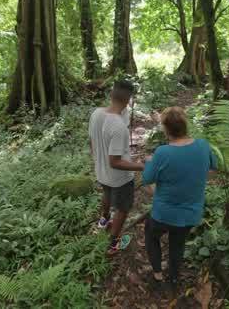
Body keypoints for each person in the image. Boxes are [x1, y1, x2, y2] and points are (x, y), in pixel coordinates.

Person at [141, 106, 219, 290]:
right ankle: (174, 278)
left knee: (151, 235)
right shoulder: (203, 146)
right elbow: (213, 170)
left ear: (166, 129)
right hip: (190, 215)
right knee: (178, 243)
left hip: (163, 214)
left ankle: (158, 275)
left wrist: (149, 162)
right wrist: (193, 182)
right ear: (186, 126)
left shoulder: (162, 152)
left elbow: (146, 180)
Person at [88, 80, 145, 254]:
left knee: (106, 193)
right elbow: (115, 161)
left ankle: (104, 220)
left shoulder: (96, 114)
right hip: (120, 178)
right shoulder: (119, 127)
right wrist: (141, 166)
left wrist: (99, 159)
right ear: (128, 100)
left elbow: (92, 142)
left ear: (111, 95)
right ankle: (113, 244)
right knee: (122, 208)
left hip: (101, 171)